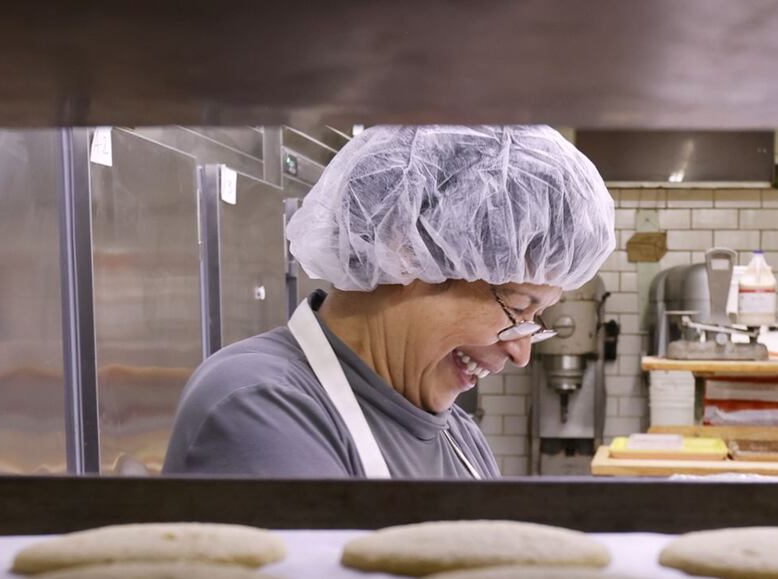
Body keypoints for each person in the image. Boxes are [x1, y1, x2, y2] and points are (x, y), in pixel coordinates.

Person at [162, 125, 615, 478]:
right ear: (409, 250)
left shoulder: (457, 434)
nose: (520, 352)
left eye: (537, 320)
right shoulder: (261, 407)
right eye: (518, 308)